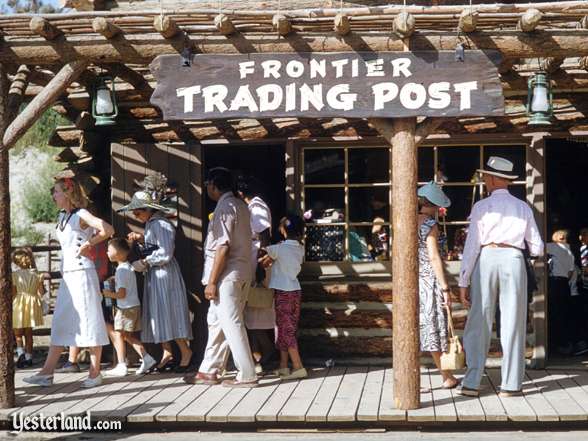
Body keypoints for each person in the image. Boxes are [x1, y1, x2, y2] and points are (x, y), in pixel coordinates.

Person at [457, 157, 544, 398]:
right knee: (513, 321)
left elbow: (472, 246)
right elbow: (537, 247)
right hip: (514, 258)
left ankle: (472, 382)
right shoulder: (523, 207)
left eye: (486, 176)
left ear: (495, 179)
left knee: (478, 320)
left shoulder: (481, 207)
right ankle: (511, 384)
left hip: (487, 256)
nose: (484, 180)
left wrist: (463, 281)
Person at [24, 177, 112, 388]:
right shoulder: (62, 217)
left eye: (56, 192)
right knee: (60, 320)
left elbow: (108, 230)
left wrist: (89, 244)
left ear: (67, 193)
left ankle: (95, 372)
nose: (53, 196)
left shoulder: (81, 214)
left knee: (89, 320)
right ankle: (46, 372)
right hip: (69, 276)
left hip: (83, 273)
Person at [184, 167, 258, 388]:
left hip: (228, 275)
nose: (207, 188)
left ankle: (247, 374)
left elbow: (222, 247)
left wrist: (213, 281)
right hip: (242, 271)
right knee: (216, 321)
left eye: (208, 184)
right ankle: (209, 370)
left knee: (231, 322)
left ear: (214, 185)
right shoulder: (241, 206)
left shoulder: (224, 208)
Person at [120, 189, 193, 373]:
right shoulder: (152, 225)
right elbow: (157, 246)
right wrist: (143, 239)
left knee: (169, 311)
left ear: (148, 209)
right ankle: (167, 352)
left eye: (138, 212)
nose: (136, 216)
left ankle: (185, 352)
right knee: (158, 314)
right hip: (156, 273)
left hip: (164, 273)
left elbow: (165, 253)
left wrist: (144, 261)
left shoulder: (160, 224)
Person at [416, 182, 459, 389]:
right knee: (432, 327)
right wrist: (445, 287)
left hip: (412, 280)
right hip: (428, 279)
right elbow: (433, 257)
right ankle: (446, 375)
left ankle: (414, 376)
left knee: (417, 327)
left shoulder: (408, 221)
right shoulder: (429, 225)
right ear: (433, 204)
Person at [236, 175, 276, 373]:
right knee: (251, 313)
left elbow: (264, 234)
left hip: (257, 261)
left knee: (257, 311)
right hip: (251, 259)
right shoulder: (252, 207)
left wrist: (261, 264)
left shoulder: (257, 207)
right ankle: (257, 355)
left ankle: (267, 351)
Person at [101, 238, 157, 376]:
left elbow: (121, 294)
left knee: (120, 335)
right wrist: (115, 278)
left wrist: (106, 293)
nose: (107, 252)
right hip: (133, 306)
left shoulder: (121, 271)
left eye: (109, 250)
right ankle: (146, 358)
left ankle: (121, 365)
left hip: (125, 308)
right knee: (126, 335)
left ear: (118, 253)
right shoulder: (127, 267)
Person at [261, 215, 306, 380]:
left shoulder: (278, 249)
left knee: (285, 330)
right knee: (286, 327)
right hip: (295, 290)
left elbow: (264, 259)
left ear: (283, 230)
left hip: (282, 292)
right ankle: (283, 365)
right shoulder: (300, 248)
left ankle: (298, 366)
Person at [11, 248, 44, 369]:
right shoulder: (36, 274)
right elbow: (41, 292)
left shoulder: (14, 275)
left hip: (18, 303)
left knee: (18, 333)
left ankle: (20, 355)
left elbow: (13, 292)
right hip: (32, 304)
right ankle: (29, 358)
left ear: (16, 262)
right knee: (28, 333)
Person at [546, 230, 576, 356]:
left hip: (555, 282)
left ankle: (557, 343)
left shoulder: (554, 247)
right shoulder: (570, 252)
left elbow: (537, 247)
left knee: (554, 313)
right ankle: (564, 344)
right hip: (564, 283)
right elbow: (570, 273)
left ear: (560, 237)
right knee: (563, 312)